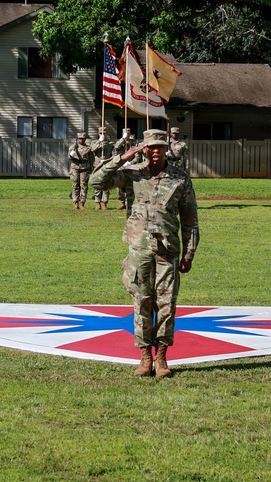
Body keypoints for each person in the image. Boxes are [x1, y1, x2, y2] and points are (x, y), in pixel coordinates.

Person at [90, 129, 199, 378]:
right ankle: (144, 358)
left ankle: (161, 358)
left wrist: (190, 252)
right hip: (139, 250)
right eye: (151, 147)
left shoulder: (180, 179)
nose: (156, 151)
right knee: (141, 303)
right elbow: (96, 182)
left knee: (166, 305)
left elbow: (190, 219)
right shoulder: (132, 174)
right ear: (144, 149)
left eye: (160, 146)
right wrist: (122, 157)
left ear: (166, 149)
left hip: (167, 252)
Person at [68, 132, 94, 209]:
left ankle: (82, 203)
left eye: (83, 138)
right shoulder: (72, 147)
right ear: (77, 139)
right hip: (75, 167)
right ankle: (75, 202)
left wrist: (91, 168)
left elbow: (91, 159)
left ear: (85, 139)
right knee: (75, 185)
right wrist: (71, 154)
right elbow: (69, 158)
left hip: (84, 168)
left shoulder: (88, 148)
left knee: (84, 186)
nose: (81, 140)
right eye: (80, 138)